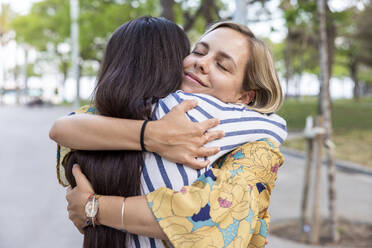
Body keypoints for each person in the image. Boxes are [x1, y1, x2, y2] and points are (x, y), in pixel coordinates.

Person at [50, 19, 287, 248]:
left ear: (244, 97)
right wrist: (152, 135)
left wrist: (94, 208)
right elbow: (63, 128)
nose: (202, 63)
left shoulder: (257, 149)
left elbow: (205, 219)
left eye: (222, 65)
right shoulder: (147, 103)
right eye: (198, 51)